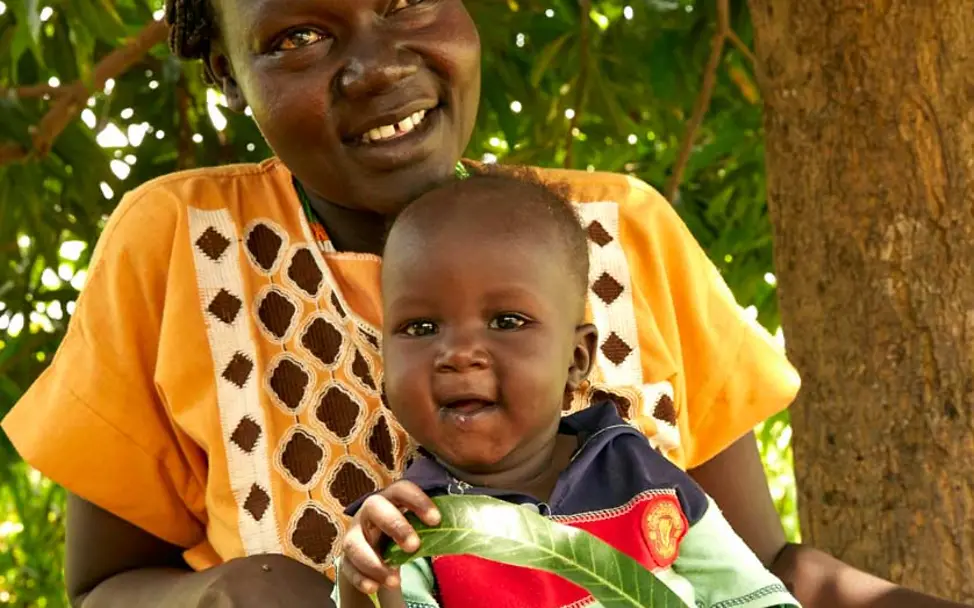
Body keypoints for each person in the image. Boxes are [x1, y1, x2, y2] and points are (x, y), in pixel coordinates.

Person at [0, 1, 965, 607]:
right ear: (227, 72)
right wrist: (225, 594)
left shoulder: (620, 229)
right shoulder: (176, 241)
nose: (375, 62)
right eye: (296, 36)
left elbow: (757, 571)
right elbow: (102, 586)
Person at [335, 170, 801, 608]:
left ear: (577, 359)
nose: (458, 353)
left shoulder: (638, 474)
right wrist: (369, 582)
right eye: (420, 327)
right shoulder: (412, 523)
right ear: (385, 373)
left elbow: (753, 596)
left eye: (507, 321)